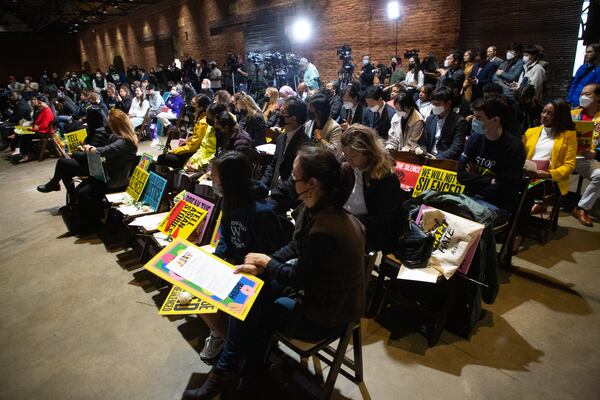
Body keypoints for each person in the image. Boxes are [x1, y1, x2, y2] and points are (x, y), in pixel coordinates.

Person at [184, 146, 365, 400]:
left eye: (294, 175)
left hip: (326, 314)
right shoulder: (315, 209)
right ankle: (238, 371)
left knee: (250, 305)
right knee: (251, 293)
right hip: (318, 294)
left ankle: (237, 375)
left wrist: (268, 263)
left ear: (311, 183)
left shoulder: (327, 227)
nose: (290, 181)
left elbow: (300, 277)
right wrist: (263, 264)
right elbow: (294, 246)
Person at [197, 151, 292, 364]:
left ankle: (236, 355)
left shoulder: (261, 212)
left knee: (230, 303)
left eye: (214, 177)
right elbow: (225, 239)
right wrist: (217, 262)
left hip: (261, 277)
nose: (211, 180)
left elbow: (272, 257)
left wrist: (239, 269)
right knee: (195, 289)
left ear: (229, 181)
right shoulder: (229, 200)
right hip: (236, 267)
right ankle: (225, 338)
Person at [37, 109, 138, 227]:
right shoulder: (119, 137)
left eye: (110, 123)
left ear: (116, 125)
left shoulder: (124, 141)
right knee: (80, 189)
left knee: (82, 192)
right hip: (108, 174)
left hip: (114, 179)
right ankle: (91, 220)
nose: (107, 125)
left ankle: (93, 223)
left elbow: (107, 150)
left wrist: (91, 150)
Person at [458, 99, 526, 224]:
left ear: (496, 120)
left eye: (479, 118)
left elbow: (505, 187)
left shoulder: (514, 147)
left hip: (496, 205)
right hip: (469, 198)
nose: (474, 121)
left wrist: (474, 178)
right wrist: (489, 180)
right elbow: (460, 174)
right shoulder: (475, 139)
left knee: (463, 221)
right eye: (474, 116)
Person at [342, 125, 407, 251]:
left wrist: (351, 222)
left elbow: (385, 219)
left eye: (353, 156)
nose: (348, 160)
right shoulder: (348, 168)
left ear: (368, 152)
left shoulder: (385, 179)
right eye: (345, 154)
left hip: (370, 231)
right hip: (348, 222)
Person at [523, 99, 577, 212]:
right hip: (527, 174)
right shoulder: (530, 132)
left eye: (550, 113)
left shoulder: (569, 136)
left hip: (550, 179)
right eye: (543, 111)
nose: (544, 115)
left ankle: (519, 220)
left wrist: (548, 174)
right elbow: (520, 155)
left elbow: (569, 166)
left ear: (560, 116)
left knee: (523, 191)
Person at [260, 97, 310, 190]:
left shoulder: (305, 145)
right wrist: (262, 185)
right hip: (275, 191)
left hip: (288, 198)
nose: (278, 114)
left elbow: (294, 179)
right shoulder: (281, 137)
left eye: (282, 112)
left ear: (293, 119)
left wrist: (274, 194)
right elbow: (273, 165)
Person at [571, 83, 600, 226]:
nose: (583, 97)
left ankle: (581, 208)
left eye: (588, 94)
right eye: (582, 94)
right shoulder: (573, 114)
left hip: (585, 158)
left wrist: (596, 152)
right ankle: (542, 201)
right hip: (565, 156)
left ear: (598, 97)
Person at [158, 94, 213, 169]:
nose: (191, 106)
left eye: (194, 104)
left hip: (194, 154)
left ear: (201, 108)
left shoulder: (203, 122)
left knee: (162, 158)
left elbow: (193, 146)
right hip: (193, 151)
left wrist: (175, 151)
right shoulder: (201, 118)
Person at [420, 86, 469, 160]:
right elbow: (424, 140)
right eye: (432, 104)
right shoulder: (430, 119)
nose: (433, 107)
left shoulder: (459, 122)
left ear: (448, 104)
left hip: (444, 161)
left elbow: (456, 147)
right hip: (428, 157)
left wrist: (437, 159)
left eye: (437, 104)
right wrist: (421, 150)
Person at [184, 103, 228, 173]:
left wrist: (198, 167)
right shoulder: (210, 127)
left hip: (209, 166)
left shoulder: (223, 134)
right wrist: (193, 160)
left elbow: (215, 155)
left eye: (209, 116)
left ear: (216, 118)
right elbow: (203, 147)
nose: (206, 118)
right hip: (200, 159)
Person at [14, 94, 55, 163]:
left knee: (25, 135)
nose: (39, 104)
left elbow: (44, 126)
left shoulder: (47, 111)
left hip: (44, 132)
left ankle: (26, 155)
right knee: (18, 130)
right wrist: (30, 126)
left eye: (40, 102)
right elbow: (36, 122)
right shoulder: (40, 110)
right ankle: (23, 152)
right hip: (39, 130)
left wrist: (34, 127)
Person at [305, 93, 342, 158]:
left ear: (319, 111)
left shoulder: (335, 127)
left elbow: (335, 152)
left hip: (326, 164)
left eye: (310, 108)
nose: (308, 110)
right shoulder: (309, 124)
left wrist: (320, 139)